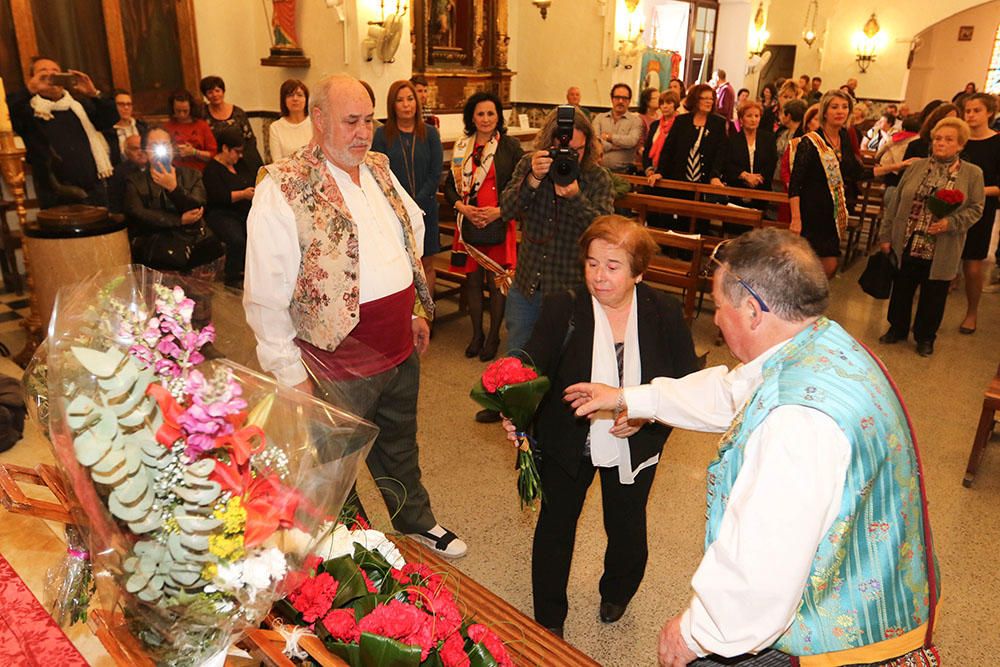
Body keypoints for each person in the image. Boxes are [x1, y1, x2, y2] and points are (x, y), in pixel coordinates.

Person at [568, 228, 940, 667]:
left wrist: (694, 634)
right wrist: (628, 397)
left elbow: (763, 570)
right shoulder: (817, 343)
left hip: (839, 641)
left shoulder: (797, 422)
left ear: (752, 311)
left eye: (719, 308)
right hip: (870, 589)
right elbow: (731, 393)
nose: (717, 322)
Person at [243, 73, 466, 559]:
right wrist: (288, 373)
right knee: (331, 466)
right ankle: (353, 549)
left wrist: (413, 309)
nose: (363, 132)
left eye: (369, 120)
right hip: (333, 362)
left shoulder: (380, 168)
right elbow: (264, 294)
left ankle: (415, 520)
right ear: (319, 120)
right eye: (351, 121)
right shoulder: (282, 186)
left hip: (397, 346)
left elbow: (409, 235)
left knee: (400, 446)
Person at [501, 215, 698, 638]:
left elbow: (685, 380)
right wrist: (513, 404)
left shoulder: (661, 311)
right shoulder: (564, 306)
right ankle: (549, 618)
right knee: (556, 527)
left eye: (612, 267)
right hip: (570, 438)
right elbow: (531, 364)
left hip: (636, 438)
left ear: (638, 272)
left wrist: (648, 416)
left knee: (626, 525)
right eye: (592, 264)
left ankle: (617, 591)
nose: (599, 276)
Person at [500, 106, 615, 355]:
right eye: (562, 150)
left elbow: (604, 234)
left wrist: (575, 198)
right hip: (527, 284)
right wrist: (532, 180)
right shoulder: (529, 165)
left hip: (569, 289)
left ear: (589, 146)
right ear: (548, 144)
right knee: (517, 362)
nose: (569, 156)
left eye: (576, 151)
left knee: (563, 366)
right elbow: (506, 210)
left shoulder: (598, 178)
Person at [879, 117, 984, 356]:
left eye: (948, 140)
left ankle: (925, 337)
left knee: (934, 293)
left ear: (960, 145)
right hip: (907, 239)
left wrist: (951, 222)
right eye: (938, 138)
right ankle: (897, 328)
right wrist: (885, 235)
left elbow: (977, 208)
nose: (941, 143)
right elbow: (895, 202)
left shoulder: (972, 174)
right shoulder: (916, 166)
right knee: (902, 287)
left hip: (941, 245)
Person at [442, 91, 522, 363]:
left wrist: (499, 211)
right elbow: (450, 187)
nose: (486, 119)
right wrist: (463, 208)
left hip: (498, 222)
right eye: (480, 114)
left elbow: (522, 187)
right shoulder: (463, 147)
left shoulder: (510, 147)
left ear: (498, 117)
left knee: (496, 282)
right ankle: (476, 334)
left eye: (491, 113)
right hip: (468, 224)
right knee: (473, 281)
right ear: (472, 117)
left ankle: (493, 336)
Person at [8, 57, 118, 208]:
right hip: (55, 192)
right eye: (43, 72)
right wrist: (29, 90)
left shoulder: (79, 105)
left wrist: (93, 93)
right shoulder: (28, 110)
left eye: (55, 71)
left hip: (93, 187)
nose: (51, 75)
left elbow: (109, 118)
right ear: (32, 78)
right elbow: (7, 113)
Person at [373, 80, 444, 302]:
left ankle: (427, 316)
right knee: (400, 266)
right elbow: (378, 173)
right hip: (394, 211)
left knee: (426, 263)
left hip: (426, 208)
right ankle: (406, 319)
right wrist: (400, 205)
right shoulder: (382, 135)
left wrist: (416, 202)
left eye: (410, 98)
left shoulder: (430, 133)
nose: (406, 104)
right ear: (392, 105)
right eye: (400, 100)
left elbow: (435, 172)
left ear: (417, 102)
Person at [789, 90, 871, 277]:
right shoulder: (811, 141)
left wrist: (895, 167)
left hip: (832, 212)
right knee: (806, 266)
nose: (840, 111)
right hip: (811, 212)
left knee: (829, 266)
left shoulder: (844, 137)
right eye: (835, 107)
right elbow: (795, 184)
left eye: (844, 107)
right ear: (825, 111)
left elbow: (855, 172)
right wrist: (796, 218)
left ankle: (813, 302)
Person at [124, 128, 221, 279]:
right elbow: (139, 214)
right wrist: (178, 220)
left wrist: (173, 188)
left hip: (193, 239)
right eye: (154, 145)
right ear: (145, 151)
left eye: (165, 144)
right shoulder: (135, 181)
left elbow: (197, 207)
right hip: (155, 242)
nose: (160, 149)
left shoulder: (192, 175)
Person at [645, 84, 728, 230]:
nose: (709, 102)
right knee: (677, 222)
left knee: (699, 223)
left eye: (711, 99)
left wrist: (715, 175)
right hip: (680, 178)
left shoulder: (718, 123)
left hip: (703, 180)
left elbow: (721, 153)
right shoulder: (682, 121)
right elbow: (668, 149)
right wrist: (660, 172)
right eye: (705, 98)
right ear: (695, 100)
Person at [956, 93, 1000, 334]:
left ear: (989, 113)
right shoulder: (960, 140)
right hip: (952, 207)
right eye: (968, 111)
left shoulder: (996, 143)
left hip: (981, 209)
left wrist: (973, 191)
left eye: (976, 110)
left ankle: (972, 312)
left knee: (972, 266)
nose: (970, 115)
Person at [203, 126, 254, 288]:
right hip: (221, 213)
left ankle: (253, 272)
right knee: (237, 239)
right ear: (225, 148)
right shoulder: (212, 170)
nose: (240, 156)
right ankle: (233, 276)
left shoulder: (240, 165)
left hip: (243, 210)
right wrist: (243, 194)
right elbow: (218, 197)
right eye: (236, 152)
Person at [711, 101, 778, 215]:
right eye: (749, 116)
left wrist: (757, 178)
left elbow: (772, 162)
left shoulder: (768, 138)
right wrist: (744, 175)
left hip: (761, 189)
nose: (753, 119)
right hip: (737, 189)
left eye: (756, 116)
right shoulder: (732, 140)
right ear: (741, 120)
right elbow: (727, 164)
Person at [200, 75, 263, 173]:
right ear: (205, 96)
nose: (215, 95)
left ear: (223, 91)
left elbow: (250, 139)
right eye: (210, 92)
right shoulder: (202, 114)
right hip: (217, 163)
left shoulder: (238, 113)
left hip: (241, 159)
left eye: (217, 90)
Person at [592, 83, 644, 173]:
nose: (620, 101)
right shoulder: (599, 118)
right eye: (617, 97)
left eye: (624, 98)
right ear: (612, 99)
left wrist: (610, 137)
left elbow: (631, 141)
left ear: (629, 101)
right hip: (598, 171)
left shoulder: (636, 121)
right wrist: (616, 146)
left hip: (624, 172)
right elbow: (595, 142)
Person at [163, 89, 216, 171]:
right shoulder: (167, 126)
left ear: (191, 108)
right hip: (175, 171)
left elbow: (212, 155)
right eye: (178, 111)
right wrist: (173, 151)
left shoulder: (202, 126)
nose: (181, 114)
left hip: (199, 172)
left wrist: (194, 152)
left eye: (185, 111)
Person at [268, 79, 312, 162]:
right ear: (284, 100)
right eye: (290, 95)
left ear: (306, 99)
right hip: (287, 173)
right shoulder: (275, 127)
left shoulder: (315, 123)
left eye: (299, 95)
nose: (295, 99)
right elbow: (277, 162)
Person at [642, 91, 680, 179]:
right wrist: (648, 169)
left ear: (675, 105)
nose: (665, 106)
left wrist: (661, 172)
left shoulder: (680, 125)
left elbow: (675, 152)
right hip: (652, 172)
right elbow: (647, 149)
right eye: (662, 103)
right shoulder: (655, 125)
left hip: (671, 174)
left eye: (669, 103)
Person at [108, 133, 147, 215]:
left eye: (143, 148)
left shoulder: (157, 167)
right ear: (126, 152)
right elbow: (115, 200)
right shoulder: (119, 172)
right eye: (135, 149)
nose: (141, 152)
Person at [110, 89, 148, 157]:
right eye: (121, 104)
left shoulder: (142, 127)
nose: (126, 107)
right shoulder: (108, 132)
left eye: (129, 104)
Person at [637, 87, 661, 167]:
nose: (660, 100)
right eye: (656, 98)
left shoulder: (660, 117)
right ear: (647, 101)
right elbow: (639, 144)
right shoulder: (640, 119)